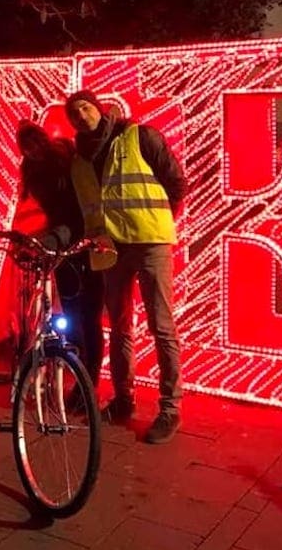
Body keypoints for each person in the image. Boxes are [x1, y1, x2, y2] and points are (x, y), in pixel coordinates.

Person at [64, 90, 186, 444]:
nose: (81, 116)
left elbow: (175, 180)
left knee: (161, 326)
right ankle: (123, 400)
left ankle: (169, 409)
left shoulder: (138, 136)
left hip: (150, 243)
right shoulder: (78, 161)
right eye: (74, 113)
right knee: (118, 328)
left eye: (85, 108)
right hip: (110, 248)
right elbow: (88, 208)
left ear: (99, 109)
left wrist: (160, 221)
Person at [16, 120, 105, 387]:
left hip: (83, 238)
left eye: (36, 141)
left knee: (89, 315)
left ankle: (89, 381)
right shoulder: (31, 170)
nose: (34, 149)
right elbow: (55, 214)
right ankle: (80, 376)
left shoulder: (66, 155)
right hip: (63, 245)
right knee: (72, 314)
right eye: (27, 146)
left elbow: (72, 212)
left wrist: (53, 237)